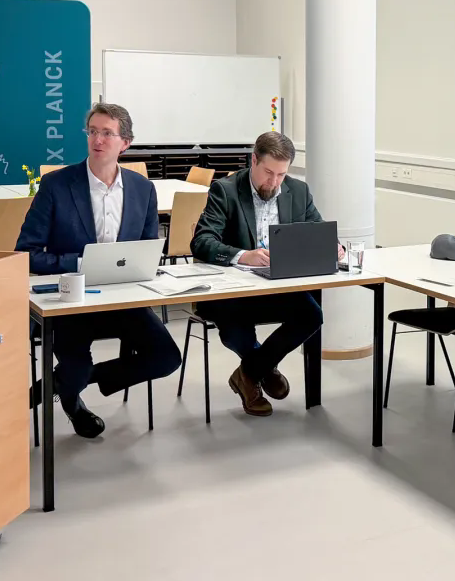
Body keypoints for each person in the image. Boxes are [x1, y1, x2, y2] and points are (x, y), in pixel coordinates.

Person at [17, 103, 182, 439]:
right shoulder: (57, 185)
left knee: (166, 358)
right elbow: (26, 253)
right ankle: (73, 398)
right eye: (93, 131)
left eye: (108, 133)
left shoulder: (142, 189)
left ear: (126, 143)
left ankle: (65, 381)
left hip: (121, 300)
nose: (98, 139)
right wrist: (79, 264)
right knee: (75, 370)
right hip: (72, 302)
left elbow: (147, 249)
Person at [191, 131, 343, 417]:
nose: (274, 182)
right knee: (235, 327)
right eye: (268, 173)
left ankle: (249, 372)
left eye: (281, 175)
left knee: (312, 315)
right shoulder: (225, 190)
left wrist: (334, 246)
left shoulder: (298, 191)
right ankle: (263, 369)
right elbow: (201, 242)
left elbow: (317, 229)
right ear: (254, 161)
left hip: (277, 286)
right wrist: (243, 255)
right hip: (233, 291)